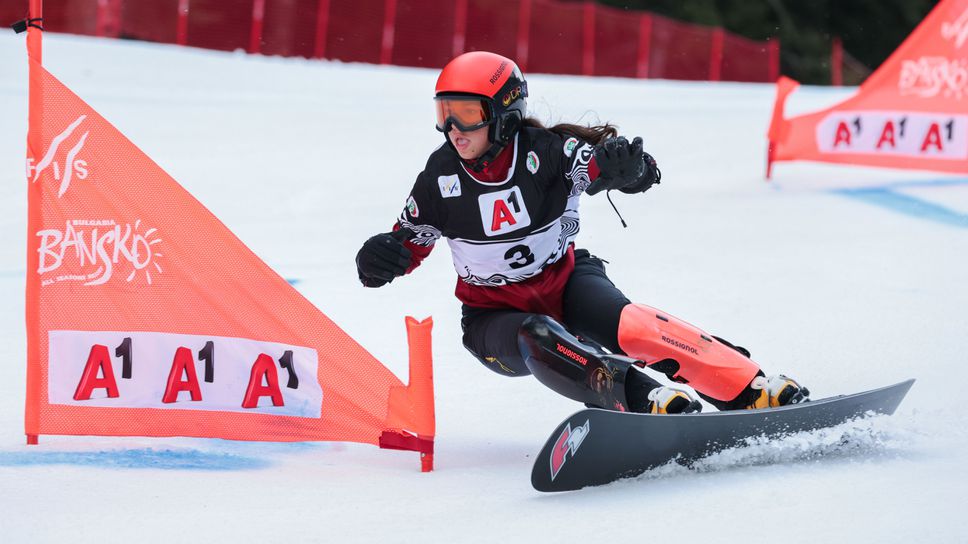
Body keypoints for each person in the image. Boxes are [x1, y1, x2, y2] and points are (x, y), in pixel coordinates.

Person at [355, 51, 809, 414]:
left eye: (468, 113)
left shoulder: (546, 152)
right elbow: (406, 244)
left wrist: (629, 171)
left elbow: (603, 166)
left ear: (504, 114)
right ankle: (643, 401)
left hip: (566, 282)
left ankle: (749, 387)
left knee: (632, 326)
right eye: (445, 113)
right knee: (538, 334)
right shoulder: (440, 178)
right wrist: (378, 261)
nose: (454, 129)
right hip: (493, 319)